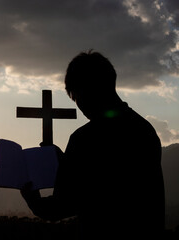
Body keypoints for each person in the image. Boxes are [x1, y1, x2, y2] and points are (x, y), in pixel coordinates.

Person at [20, 51, 165, 239]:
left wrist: (32, 198)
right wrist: (65, 161)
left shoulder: (85, 139)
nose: (79, 106)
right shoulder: (144, 130)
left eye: (76, 97)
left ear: (83, 91)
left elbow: (60, 207)